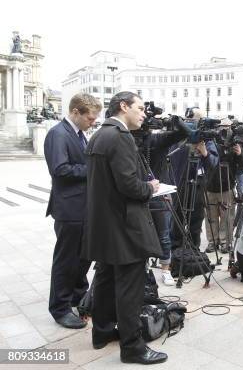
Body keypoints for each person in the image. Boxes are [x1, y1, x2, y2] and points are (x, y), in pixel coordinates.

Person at [82, 91, 167, 364]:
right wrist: (150, 187)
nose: (144, 114)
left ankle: (102, 331)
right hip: (124, 226)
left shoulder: (99, 134)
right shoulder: (119, 137)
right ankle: (133, 347)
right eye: (140, 108)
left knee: (105, 280)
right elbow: (129, 186)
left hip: (105, 224)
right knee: (130, 287)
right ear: (123, 107)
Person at [44, 93, 101, 329]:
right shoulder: (57, 134)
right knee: (66, 261)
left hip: (83, 208)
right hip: (69, 209)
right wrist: (93, 168)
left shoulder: (79, 135)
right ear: (75, 112)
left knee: (84, 256)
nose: (93, 122)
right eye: (90, 118)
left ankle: (78, 296)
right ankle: (59, 308)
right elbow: (60, 169)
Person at [133, 115, 191, 286]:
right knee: (138, 235)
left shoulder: (157, 139)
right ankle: (142, 270)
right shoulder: (126, 139)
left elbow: (183, 133)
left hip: (159, 195)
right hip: (136, 194)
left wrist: (173, 121)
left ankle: (166, 269)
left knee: (164, 235)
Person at [169, 108, 218, 250]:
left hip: (197, 185)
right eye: (188, 120)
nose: (190, 123)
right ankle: (176, 254)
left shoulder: (206, 139)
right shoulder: (177, 137)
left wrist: (204, 153)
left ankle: (193, 251)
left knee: (195, 222)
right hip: (178, 184)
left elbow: (214, 163)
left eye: (195, 120)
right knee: (177, 221)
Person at [205, 118, 243, 253]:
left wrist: (240, 154)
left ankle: (225, 242)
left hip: (227, 186)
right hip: (210, 186)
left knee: (227, 217)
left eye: (227, 127)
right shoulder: (210, 141)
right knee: (210, 218)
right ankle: (213, 241)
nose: (224, 130)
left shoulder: (235, 143)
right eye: (221, 127)